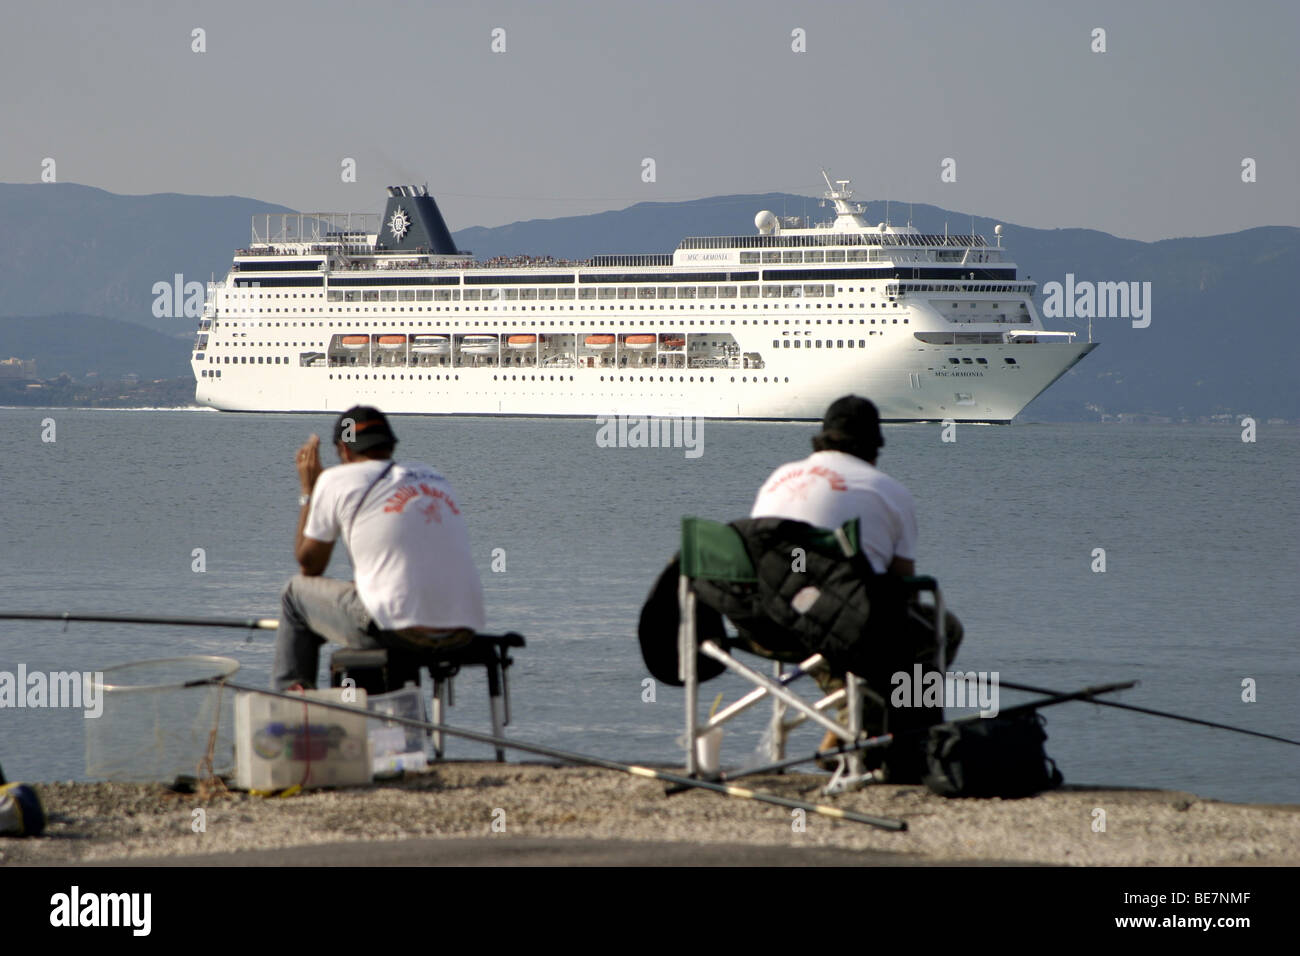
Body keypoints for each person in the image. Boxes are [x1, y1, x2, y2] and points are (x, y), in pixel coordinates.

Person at [748, 395, 962, 755]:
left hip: (764, 625)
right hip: (843, 631)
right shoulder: (888, 491)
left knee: (832, 622)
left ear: (820, 439)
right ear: (875, 447)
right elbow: (904, 587)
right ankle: (904, 739)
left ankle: (852, 718)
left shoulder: (779, 478)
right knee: (939, 628)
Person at [272, 405, 485, 690]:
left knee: (294, 595)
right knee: (371, 600)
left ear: (344, 451)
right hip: (462, 629)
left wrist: (309, 491)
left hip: (398, 631)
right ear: (390, 444)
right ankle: (395, 725)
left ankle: (291, 713)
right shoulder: (432, 475)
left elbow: (309, 565)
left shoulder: (334, 479)